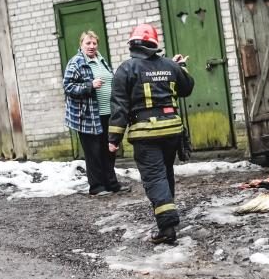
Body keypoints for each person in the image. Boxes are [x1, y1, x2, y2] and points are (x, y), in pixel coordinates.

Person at [108, 23, 194, 245]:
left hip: (145, 134)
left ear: (133, 44)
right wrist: (181, 67)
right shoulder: (169, 66)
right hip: (172, 132)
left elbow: (119, 107)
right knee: (165, 174)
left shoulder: (126, 69)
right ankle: (168, 216)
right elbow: (187, 88)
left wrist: (113, 139)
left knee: (155, 177)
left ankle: (167, 227)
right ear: (154, 44)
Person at [63, 31, 124, 197]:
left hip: (107, 113)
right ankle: (96, 187)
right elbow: (68, 87)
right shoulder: (76, 62)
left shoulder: (100, 60)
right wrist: (89, 85)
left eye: (94, 43)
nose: (91, 46)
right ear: (81, 45)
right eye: (88, 43)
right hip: (87, 116)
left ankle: (112, 184)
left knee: (109, 150)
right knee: (93, 152)